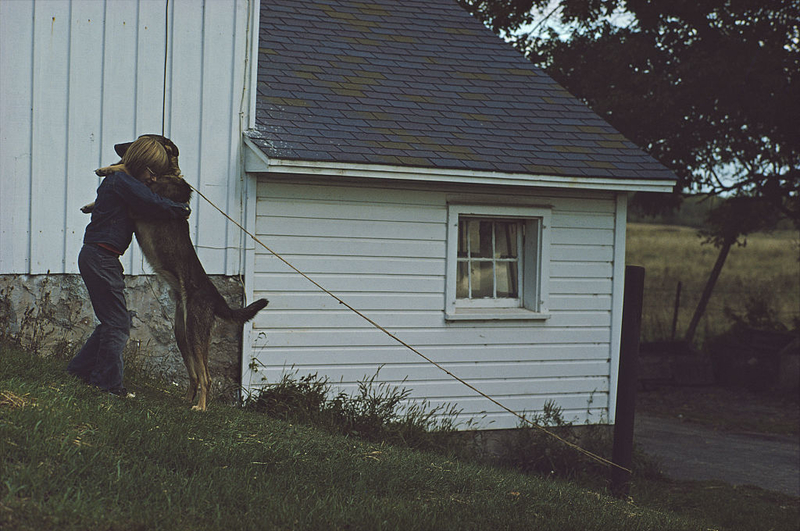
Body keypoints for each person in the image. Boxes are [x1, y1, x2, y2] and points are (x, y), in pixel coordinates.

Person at [67, 136, 191, 397]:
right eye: (152, 173)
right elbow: (152, 202)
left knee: (112, 321)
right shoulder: (121, 180)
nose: (154, 180)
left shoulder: (120, 182)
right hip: (99, 258)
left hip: (102, 258)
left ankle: (79, 370)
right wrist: (179, 208)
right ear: (139, 165)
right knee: (118, 325)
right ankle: (107, 386)